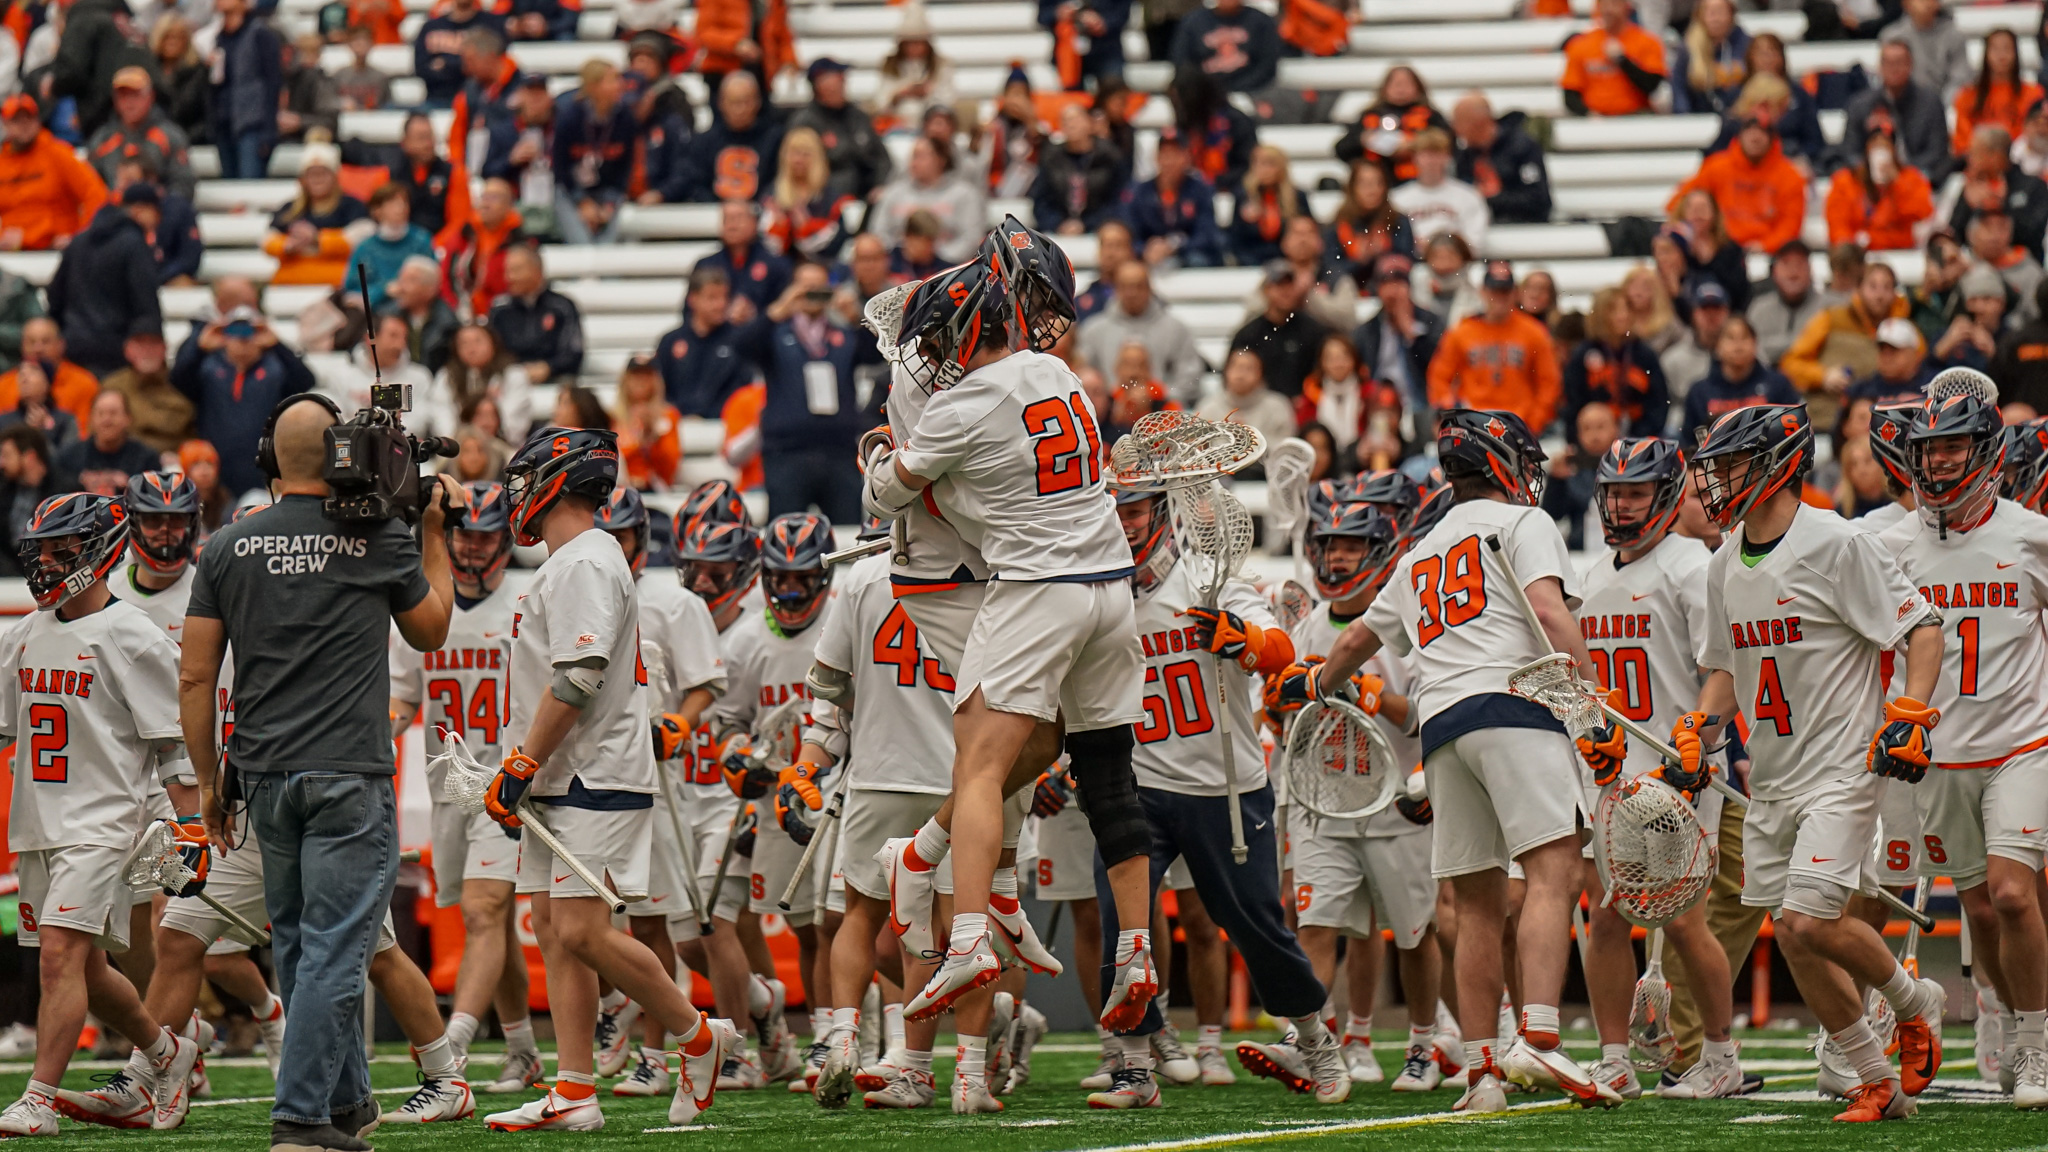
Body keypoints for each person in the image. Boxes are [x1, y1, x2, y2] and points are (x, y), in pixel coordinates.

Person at [864, 257, 1169, 1113]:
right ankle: (1137, 948)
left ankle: (965, 923)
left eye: (939, 336)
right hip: (1113, 587)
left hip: (1034, 588)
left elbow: (891, 488)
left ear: (966, 330)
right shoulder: (1062, 371)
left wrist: (879, 459)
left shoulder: (961, 399)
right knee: (1108, 773)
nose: (931, 354)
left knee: (980, 768)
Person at [1280, 408, 1621, 1111]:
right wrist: (1590, 703)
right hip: (1515, 706)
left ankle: (1481, 1073)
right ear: (1505, 464)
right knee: (1552, 873)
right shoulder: (1524, 525)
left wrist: (1315, 682)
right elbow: (1552, 616)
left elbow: (1352, 645)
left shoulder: (1419, 550)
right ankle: (1542, 1036)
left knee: (1474, 904)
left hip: (1440, 726)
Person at [173, 394, 459, 1149]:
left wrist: (207, 784)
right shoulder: (377, 536)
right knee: (338, 945)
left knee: (301, 944)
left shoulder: (228, 546)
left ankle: (344, 1105)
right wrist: (432, 532)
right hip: (349, 772)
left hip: (263, 774)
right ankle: (300, 1119)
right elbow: (430, 632)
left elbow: (197, 679)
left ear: (269, 459)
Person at [1683, 402, 1947, 1122]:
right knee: (1794, 937)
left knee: (1805, 920)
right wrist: (1697, 730)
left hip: (1842, 765)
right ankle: (1876, 1081)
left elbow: (1922, 628)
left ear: (1777, 465)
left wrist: (1911, 715)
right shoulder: (1721, 563)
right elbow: (1725, 674)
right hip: (1772, 776)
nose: (1718, 481)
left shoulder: (1835, 541)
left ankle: (1914, 999)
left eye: (1732, 465)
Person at [480, 428, 738, 1131]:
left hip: (593, 770)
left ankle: (699, 1036)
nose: (516, 493)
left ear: (555, 480)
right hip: (566, 773)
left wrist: (523, 762)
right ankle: (575, 1090)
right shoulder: (576, 559)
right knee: (554, 929)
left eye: (526, 478)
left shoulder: (587, 560)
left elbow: (581, 675)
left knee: (583, 931)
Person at [1096, 480, 1342, 1109]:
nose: (1123, 524)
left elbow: (1282, 650)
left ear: (1160, 511)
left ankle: (1314, 1036)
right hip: (1138, 782)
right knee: (1123, 922)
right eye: (1114, 510)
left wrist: (1244, 640)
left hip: (1222, 785)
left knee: (1254, 923)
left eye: (1133, 510)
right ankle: (1133, 1064)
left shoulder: (1208, 578)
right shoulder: (1096, 590)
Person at [0, 491, 207, 1139]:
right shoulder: (23, 637)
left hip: (104, 824)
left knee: (59, 956)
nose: (47, 565)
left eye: (62, 551)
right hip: (38, 823)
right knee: (85, 965)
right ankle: (168, 1052)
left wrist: (193, 829)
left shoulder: (130, 633)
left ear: (95, 550)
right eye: (42, 552)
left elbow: (175, 743)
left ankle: (38, 1097)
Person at [1877, 390, 2048, 1107]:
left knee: (2013, 895)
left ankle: (2036, 1047)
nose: (1938, 462)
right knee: (1978, 913)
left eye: (1951, 448)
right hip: (1937, 753)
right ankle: (2010, 1025)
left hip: (2022, 741)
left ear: (1984, 453)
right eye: (1927, 451)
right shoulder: (1888, 545)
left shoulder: (2030, 535)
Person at [1573, 437, 1747, 1100]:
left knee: (1683, 918)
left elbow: (1726, 668)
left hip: (1682, 770)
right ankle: (1615, 1056)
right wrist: (1590, 739)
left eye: (1636, 492)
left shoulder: (1690, 566)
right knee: (1609, 915)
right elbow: (1587, 688)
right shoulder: (1593, 575)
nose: (1621, 504)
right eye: (1614, 492)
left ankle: (1721, 1055)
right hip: (1616, 774)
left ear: (1668, 493)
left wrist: (1700, 737)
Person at [1283, 500, 1455, 1091]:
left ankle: (1423, 1043)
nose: (1336, 556)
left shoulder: (1405, 627)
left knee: (1413, 934)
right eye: (1329, 545)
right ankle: (1310, 1041)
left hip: (1395, 805)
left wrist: (1375, 695)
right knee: (1315, 925)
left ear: (1379, 553)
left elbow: (1427, 716)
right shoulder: (1305, 626)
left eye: (1350, 546)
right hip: (1324, 800)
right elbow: (1283, 713)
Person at [383, 481, 544, 1096]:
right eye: (464, 536)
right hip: (450, 782)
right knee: (491, 922)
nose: (474, 551)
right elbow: (403, 699)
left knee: (483, 910)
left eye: (484, 536)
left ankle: (453, 1046)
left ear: (505, 539)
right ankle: (523, 1049)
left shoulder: (528, 604)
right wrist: (382, 727)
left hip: (505, 781)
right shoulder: (425, 608)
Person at [733, 262, 884, 522]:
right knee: (786, 531)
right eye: (805, 287)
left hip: (839, 452)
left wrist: (856, 318)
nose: (812, 293)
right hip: (787, 453)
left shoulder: (844, 335)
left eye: (819, 287)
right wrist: (778, 310)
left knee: (846, 534)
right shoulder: (776, 334)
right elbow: (741, 346)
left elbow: (877, 353)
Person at [169, 308, 317, 496]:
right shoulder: (208, 369)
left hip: (262, 470)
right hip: (217, 475)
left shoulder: (275, 369)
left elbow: (306, 381)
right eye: (234, 332)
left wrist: (277, 345)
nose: (242, 339)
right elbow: (177, 380)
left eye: (250, 332)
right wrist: (198, 347)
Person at [1427, 261, 1560, 433]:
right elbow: (1439, 377)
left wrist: (1533, 423)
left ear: (1515, 293)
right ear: (1483, 291)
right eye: (1494, 292)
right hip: (1472, 423)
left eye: (1504, 292)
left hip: (1518, 423)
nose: (1499, 298)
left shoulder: (1534, 333)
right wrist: (1452, 413)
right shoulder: (1462, 331)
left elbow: (1549, 383)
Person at [1782, 260, 1908, 430]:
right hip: (1826, 420)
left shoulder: (1905, 328)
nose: (1880, 295)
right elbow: (1790, 364)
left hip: (1887, 426)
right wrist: (1823, 376)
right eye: (1873, 286)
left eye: (1887, 287)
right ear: (1858, 289)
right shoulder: (1831, 318)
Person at [46, 197, 161, 380]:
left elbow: (54, 296)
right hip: (118, 349)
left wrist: (63, 331)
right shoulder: (134, 244)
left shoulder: (77, 243)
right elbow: (146, 300)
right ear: (136, 212)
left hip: (74, 344)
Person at [1671, 115, 1807, 256]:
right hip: (1719, 250)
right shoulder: (1716, 167)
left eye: (1762, 132)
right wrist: (1707, 241)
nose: (1755, 137)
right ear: (1739, 136)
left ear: (1772, 138)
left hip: (1769, 254)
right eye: (1750, 131)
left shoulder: (1790, 176)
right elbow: (1677, 204)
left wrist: (1766, 245)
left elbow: (1790, 225)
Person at [1077, 261, 1205, 407]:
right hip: (1107, 415)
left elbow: (1190, 375)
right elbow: (1083, 374)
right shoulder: (1093, 331)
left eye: (1138, 286)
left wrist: (1160, 397)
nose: (1132, 293)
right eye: (1125, 286)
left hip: (1163, 412)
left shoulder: (1176, 329)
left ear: (1150, 288)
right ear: (1116, 289)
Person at [0, 95, 106, 251]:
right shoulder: (3, 162)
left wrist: (80, 237)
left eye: (28, 118)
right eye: (16, 120)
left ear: (37, 120)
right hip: (12, 254)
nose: (24, 125)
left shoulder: (58, 154)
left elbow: (96, 194)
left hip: (56, 251)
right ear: (6, 125)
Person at [656, 267, 763, 421]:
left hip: (722, 424)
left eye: (725, 297)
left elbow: (743, 390)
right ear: (693, 299)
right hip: (677, 425)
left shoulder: (739, 341)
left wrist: (708, 415)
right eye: (712, 298)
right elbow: (660, 390)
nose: (720, 304)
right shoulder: (670, 341)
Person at [1843, 40, 1953, 186]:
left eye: (1899, 62)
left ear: (1910, 65)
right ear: (1880, 67)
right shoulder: (1860, 105)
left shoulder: (1930, 102)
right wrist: (1870, 171)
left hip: (1919, 178)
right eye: (1887, 63)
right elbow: (1850, 151)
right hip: (1871, 183)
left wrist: (1901, 172)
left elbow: (1937, 150)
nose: (1893, 69)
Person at [1564, 287, 1670, 438]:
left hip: (1639, 436)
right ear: (1600, 315)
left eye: (1627, 309)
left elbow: (1658, 401)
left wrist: (1640, 436)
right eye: (1614, 310)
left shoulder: (1644, 354)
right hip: (1594, 439)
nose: (1623, 316)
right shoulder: (1583, 354)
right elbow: (1574, 402)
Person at [552, 60, 635, 246]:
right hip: (570, 190)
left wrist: (609, 204)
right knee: (582, 243)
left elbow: (625, 168)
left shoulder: (625, 118)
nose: (620, 85)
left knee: (608, 243)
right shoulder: (569, 118)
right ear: (594, 86)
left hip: (608, 192)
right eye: (613, 80)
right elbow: (560, 169)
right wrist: (581, 201)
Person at [1683, 314, 1800, 443]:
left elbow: (1795, 431)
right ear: (1717, 346)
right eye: (1730, 338)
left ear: (1755, 343)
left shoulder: (1778, 384)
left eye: (1744, 338)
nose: (1738, 346)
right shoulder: (1699, 392)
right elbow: (1690, 442)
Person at [263, 145, 368, 289]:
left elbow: (361, 239)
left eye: (323, 173)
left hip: (337, 281)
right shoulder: (289, 209)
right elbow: (267, 241)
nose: (317, 179)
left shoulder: (352, 206)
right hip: (291, 280)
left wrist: (317, 240)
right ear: (302, 179)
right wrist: (288, 245)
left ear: (335, 176)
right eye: (312, 174)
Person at [871, 136, 986, 264]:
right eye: (913, 156)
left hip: (946, 269)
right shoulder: (893, 193)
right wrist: (898, 256)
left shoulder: (965, 194)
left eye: (921, 156)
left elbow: (971, 238)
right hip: (897, 268)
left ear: (941, 160)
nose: (914, 162)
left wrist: (937, 259)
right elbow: (878, 233)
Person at [787, 59, 890, 202]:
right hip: (824, 197)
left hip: (868, 194)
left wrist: (880, 185)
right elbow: (796, 165)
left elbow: (882, 158)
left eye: (842, 81)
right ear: (819, 86)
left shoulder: (858, 116)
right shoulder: (805, 122)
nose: (842, 84)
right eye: (837, 80)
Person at [1119, 127, 1221, 269]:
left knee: (1199, 260)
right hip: (1149, 256)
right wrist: (1145, 248)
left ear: (1187, 157)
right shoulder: (1140, 192)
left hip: (1189, 256)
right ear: (1156, 157)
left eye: (1175, 154)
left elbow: (1207, 233)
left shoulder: (1201, 190)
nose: (1169, 161)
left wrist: (1174, 246)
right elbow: (1130, 231)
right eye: (1165, 154)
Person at [86, 67, 194, 201]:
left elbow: (183, 183)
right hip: (114, 212)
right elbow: (88, 183)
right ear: (115, 100)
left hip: (158, 211)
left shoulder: (170, 136)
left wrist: (159, 205)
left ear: (151, 96)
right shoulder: (102, 138)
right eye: (123, 96)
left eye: (135, 95)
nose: (129, 102)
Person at [678, 72, 782, 204]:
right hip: (713, 215)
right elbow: (695, 184)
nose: (740, 110)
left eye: (746, 102)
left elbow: (779, 181)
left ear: (758, 102)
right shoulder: (703, 142)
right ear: (721, 103)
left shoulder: (775, 139)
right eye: (734, 102)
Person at [1334, 65, 1449, 184]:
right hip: (1378, 182)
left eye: (1406, 84)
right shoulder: (1369, 116)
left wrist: (1414, 144)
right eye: (1396, 84)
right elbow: (1342, 149)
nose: (1401, 89)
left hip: (1418, 182)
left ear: (1418, 88)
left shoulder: (1431, 116)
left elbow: (1448, 141)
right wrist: (1365, 140)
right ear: (1385, 88)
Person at [1950, 127, 2048, 266]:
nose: (1969, 159)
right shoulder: (1973, 187)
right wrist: (1968, 206)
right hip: (1978, 268)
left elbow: (2034, 233)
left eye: (1975, 153)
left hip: (2024, 269)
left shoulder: (2033, 186)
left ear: (1995, 156)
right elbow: (1955, 235)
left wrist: (2001, 204)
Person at [1450, 92, 1551, 227]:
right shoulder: (1465, 156)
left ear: (1478, 123)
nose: (1456, 131)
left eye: (1459, 123)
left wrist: (1493, 197)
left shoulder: (1522, 147)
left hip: (1524, 227)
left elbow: (1539, 201)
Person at [208, 0, 285, 178]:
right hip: (223, 122)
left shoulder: (261, 35)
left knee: (249, 183)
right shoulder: (217, 37)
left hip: (252, 124)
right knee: (229, 186)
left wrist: (269, 130)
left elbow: (273, 83)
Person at [488, 246, 584, 386]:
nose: (509, 277)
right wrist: (516, 372)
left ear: (537, 271)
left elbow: (574, 351)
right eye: (507, 271)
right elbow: (493, 352)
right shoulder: (499, 309)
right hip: (509, 382)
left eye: (516, 270)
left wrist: (549, 367)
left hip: (556, 380)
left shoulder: (562, 306)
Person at [424, 322, 531, 442]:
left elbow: (514, 420)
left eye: (478, 341)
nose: (471, 348)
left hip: (504, 445)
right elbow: (441, 414)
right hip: (460, 448)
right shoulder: (447, 376)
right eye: (464, 343)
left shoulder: (513, 374)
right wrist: (457, 443)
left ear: (492, 343)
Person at [760, 129, 853, 263]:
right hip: (779, 268)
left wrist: (805, 228)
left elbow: (836, 246)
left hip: (821, 265)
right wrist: (779, 227)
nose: (798, 160)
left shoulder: (830, 197)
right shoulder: (772, 194)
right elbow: (764, 245)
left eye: (805, 154)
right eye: (794, 153)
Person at [1561, 0, 1666, 117]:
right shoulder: (1581, 44)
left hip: (1635, 116)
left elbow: (1652, 85)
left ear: (1627, 6)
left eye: (1614, 4)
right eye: (1603, 4)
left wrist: (1623, 60)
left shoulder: (1647, 42)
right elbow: (1570, 93)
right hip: (1595, 120)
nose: (1608, 10)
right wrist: (1588, 114)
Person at [1031, 104, 1124, 235]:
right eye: (1066, 121)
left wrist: (1087, 224)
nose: (1071, 125)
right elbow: (1041, 201)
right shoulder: (1050, 157)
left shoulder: (1109, 156)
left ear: (1089, 123)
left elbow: (1118, 200)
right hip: (1058, 230)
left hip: (1100, 229)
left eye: (1076, 119)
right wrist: (1058, 224)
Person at [1389, 130, 1487, 251]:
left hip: (1456, 263)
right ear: (1414, 158)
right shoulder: (1396, 199)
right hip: (1412, 264)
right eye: (1425, 154)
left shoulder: (1468, 196)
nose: (1431, 161)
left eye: (1436, 154)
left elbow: (1475, 241)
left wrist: (1442, 249)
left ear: (1447, 157)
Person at [343, 185, 436, 313]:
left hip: (414, 309)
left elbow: (432, 281)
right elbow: (352, 290)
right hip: (375, 313)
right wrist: (383, 290)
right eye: (392, 203)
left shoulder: (421, 241)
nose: (400, 208)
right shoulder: (364, 248)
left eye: (404, 203)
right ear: (376, 211)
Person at [444, 179, 527, 320]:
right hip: (464, 310)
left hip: (507, 313)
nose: (486, 203)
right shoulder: (465, 234)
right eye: (484, 197)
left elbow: (524, 283)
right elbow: (446, 275)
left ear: (509, 205)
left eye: (494, 197)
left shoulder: (519, 240)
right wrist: (454, 306)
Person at [696, 201, 793, 315]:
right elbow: (691, 314)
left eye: (738, 218)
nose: (732, 226)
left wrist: (756, 315)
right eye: (726, 219)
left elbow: (786, 311)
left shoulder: (778, 265)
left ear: (754, 222)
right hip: (717, 331)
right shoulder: (706, 265)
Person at [102, 329, 191, 453]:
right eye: (140, 344)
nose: (148, 351)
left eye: (154, 344)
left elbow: (188, 429)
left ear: (165, 348)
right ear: (127, 350)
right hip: (123, 460)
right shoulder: (113, 385)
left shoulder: (181, 383)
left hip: (175, 459)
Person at [0, 318, 99, 430]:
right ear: (22, 346)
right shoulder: (3, 386)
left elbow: (84, 434)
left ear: (61, 344)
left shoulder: (84, 384)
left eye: (45, 341)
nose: (38, 349)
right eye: (31, 342)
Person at [57, 391, 156, 496]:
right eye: (100, 414)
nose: (106, 420)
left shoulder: (147, 459)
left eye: (113, 413)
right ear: (91, 419)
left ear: (128, 418)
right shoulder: (68, 457)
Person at [1170, 0, 1281, 94]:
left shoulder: (1262, 22)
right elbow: (1181, 63)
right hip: (1204, 96)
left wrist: (1239, 89)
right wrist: (1207, 90)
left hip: (1253, 93)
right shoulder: (1192, 22)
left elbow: (1267, 66)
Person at [874, 5, 955, 127]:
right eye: (909, 43)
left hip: (931, 126)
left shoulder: (942, 65)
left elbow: (949, 101)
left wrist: (929, 92)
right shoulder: (889, 65)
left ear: (927, 43)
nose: (913, 48)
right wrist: (900, 94)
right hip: (897, 125)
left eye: (918, 42)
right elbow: (880, 103)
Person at [1195, 345, 1295, 443]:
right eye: (1236, 367)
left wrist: (1250, 439)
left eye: (1249, 368)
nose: (1241, 374)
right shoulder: (1208, 407)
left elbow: (1284, 448)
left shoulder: (1277, 407)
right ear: (1226, 370)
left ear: (1261, 373)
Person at [1750, 240, 1826, 366]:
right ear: (1774, 272)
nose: (1793, 272)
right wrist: (1804, 343)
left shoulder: (1829, 307)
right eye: (1786, 264)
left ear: (1810, 271)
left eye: (1800, 264)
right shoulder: (1759, 308)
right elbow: (1750, 350)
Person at [1225, 144, 1301, 267]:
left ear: (1281, 167)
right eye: (1259, 164)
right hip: (1251, 260)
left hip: (1288, 261)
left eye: (1270, 164)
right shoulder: (1243, 196)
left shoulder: (1297, 197)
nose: (1264, 170)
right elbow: (1235, 237)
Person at [386, 114, 459, 242]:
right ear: (405, 142)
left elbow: (458, 224)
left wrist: (431, 246)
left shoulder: (454, 173)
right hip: (398, 244)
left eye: (430, 137)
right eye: (421, 138)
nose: (428, 144)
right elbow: (384, 217)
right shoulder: (390, 174)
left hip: (439, 247)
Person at [416, 0, 503, 107]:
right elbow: (421, 69)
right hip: (438, 98)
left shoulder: (492, 23)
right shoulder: (430, 27)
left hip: (481, 98)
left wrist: (446, 64)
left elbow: (497, 64)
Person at [1879, 0, 1970, 102]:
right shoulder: (1891, 36)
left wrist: (1939, 106)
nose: (1926, 3)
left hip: (1944, 104)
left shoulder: (1954, 36)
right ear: (1906, 4)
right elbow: (1887, 77)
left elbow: (1959, 80)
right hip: (1902, 106)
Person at [613, 356, 681, 490]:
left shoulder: (668, 416)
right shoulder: (613, 417)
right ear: (625, 380)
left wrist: (652, 437)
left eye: (647, 376)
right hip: (619, 488)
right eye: (636, 375)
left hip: (654, 489)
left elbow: (670, 468)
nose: (641, 381)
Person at [1662, 279, 1733, 406]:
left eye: (1716, 308)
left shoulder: (1746, 353)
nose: (1711, 316)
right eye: (1704, 309)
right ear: (1693, 314)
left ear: (1727, 312)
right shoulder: (1673, 359)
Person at [1674, 0, 1748, 114]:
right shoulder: (1688, 48)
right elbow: (1679, 88)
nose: (1715, 18)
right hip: (1698, 116)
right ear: (1700, 16)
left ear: (1731, 15)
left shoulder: (1746, 45)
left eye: (1720, 12)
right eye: (1710, 12)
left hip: (1739, 117)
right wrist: (1684, 118)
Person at [335, 24, 394, 111]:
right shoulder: (339, 75)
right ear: (349, 45)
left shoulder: (381, 77)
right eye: (356, 40)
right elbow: (329, 102)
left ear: (371, 44)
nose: (360, 44)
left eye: (364, 41)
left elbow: (388, 105)